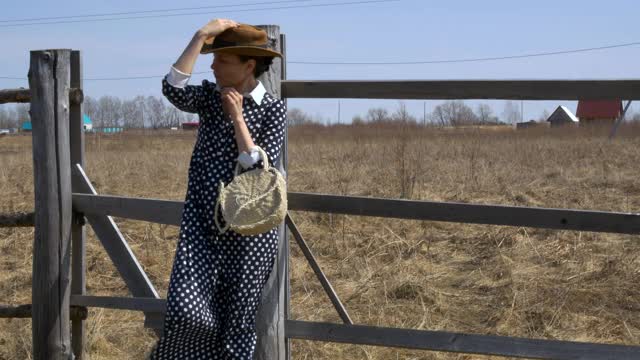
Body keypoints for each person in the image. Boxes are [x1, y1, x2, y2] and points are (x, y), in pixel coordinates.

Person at [148, 19, 287, 359]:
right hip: (202, 222)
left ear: (248, 65)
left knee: (237, 321)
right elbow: (173, 89)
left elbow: (257, 168)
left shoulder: (273, 110)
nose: (211, 66)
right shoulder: (209, 97)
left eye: (221, 60)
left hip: (248, 229)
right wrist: (199, 36)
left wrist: (238, 117)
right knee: (186, 307)